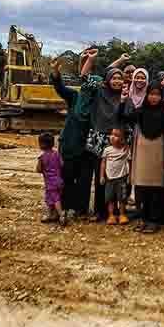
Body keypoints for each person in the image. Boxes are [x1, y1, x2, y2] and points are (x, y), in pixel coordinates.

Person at [81, 51, 131, 221]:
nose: (117, 81)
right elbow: (85, 77)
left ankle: (119, 211)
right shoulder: (100, 92)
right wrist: (91, 59)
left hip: (119, 140)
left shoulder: (125, 97)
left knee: (120, 176)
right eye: (114, 78)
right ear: (108, 80)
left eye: (120, 78)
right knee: (101, 176)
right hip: (100, 139)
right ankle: (100, 211)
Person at [49, 52, 95, 220]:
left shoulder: (97, 103)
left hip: (88, 147)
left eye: (92, 86)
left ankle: (81, 210)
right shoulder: (74, 97)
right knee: (67, 177)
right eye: (87, 86)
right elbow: (60, 88)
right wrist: (55, 72)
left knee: (84, 180)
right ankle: (66, 207)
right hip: (69, 144)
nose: (88, 88)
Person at [123, 81, 164, 233]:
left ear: (161, 96)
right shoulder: (140, 112)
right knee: (140, 188)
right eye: (151, 94)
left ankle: (153, 220)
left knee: (155, 189)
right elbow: (124, 117)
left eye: (157, 95)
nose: (154, 97)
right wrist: (123, 101)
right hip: (141, 154)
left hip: (158, 154)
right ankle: (142, 219)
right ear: (147, 95)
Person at [100, 127, 131, 225]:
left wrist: (130, 175)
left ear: (122, 139)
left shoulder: (126, 150)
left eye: (116, 135)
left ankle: (122, 214)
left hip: (122, 178)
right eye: (112, 134)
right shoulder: (107, 150)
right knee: (110, 199)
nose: (112, 137)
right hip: (109, 178)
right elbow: (103, 163)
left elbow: (129, 162)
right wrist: (102, 176)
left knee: (122, 198)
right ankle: (111, 215)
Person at [36, 132, 65, 226]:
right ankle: (51, 215)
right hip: (59, 180)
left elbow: (38, 170)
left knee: (55, 199)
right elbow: (62, 164)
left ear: (42, 145)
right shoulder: (57, 154)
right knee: (50, 198)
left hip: (50, 183)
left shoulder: (42, 157)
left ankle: (61, 214)